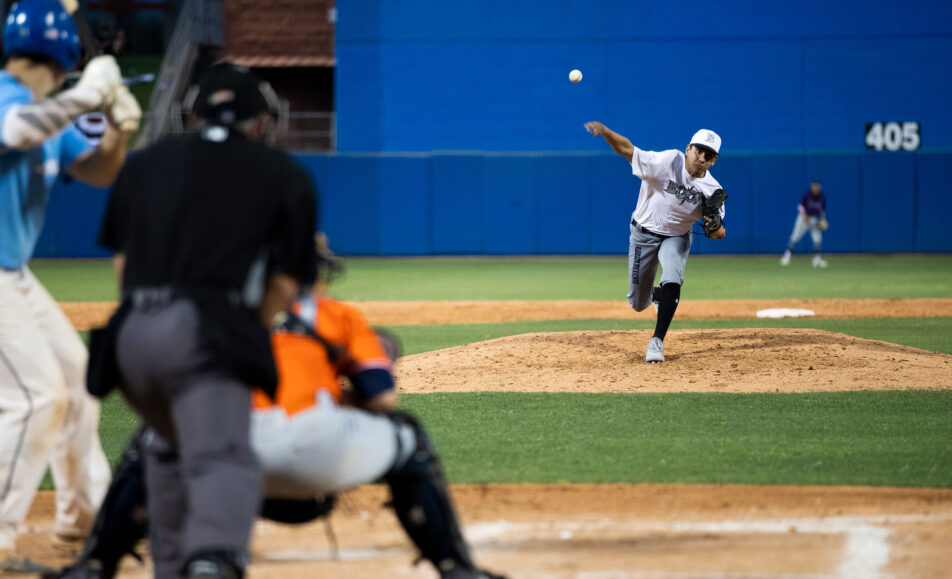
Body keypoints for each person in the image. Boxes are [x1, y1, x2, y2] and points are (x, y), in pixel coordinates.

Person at [47, 240, 506, 579]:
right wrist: (340, 393)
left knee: (154, 437)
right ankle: (454, 565)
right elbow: (382, 397)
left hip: (222, 466)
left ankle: (97, 564)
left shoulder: (209, 312)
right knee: (407, 434)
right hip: (315, 463)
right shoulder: (335, 315)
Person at [95, 63, 318, 579]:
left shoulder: (144, 164)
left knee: (171, 451)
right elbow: (285, 284)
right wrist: (245, 330)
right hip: (203, 334)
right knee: (224, 460)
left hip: (128, 341)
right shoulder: (283, 172)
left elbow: (123, 264)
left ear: (191, 112)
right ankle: (212, 564)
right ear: (260, 120)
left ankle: (170, 566)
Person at [0, 0, 141, 572]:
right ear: (66, 56)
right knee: (37, 397)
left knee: (81, 387)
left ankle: (84, 524)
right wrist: (86, 96)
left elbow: (100, 172)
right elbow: (17, 132)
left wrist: (118, 126)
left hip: (15, 274)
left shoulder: (46, 109)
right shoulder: (11, 102)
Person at [584, 122, 727, 363]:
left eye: (709, 154)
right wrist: (606, 132)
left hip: (677, 236)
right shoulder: (668, 162)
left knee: (673, 276)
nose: (702, 157)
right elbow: (627, 150)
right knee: (638, 302)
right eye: (699, 150)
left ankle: (657, 341)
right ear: (688, 149)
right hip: (644, 233)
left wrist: (714, 226)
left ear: (714, 160)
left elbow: (718, 232)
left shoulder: (712, 190)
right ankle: (659, 296)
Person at [780, 181, 828, 267]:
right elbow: (800, 206)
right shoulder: (807, 195)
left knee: (818, 238)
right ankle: (787, 256)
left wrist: (822, 219)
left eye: (818, 186)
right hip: (803, 219)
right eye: (814, 186)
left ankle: (817, 259)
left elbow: (822, 210)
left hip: (814, 219)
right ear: (812, 186)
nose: (816, 187)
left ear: (820, 187)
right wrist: (804, 215)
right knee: (795, 236)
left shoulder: (822, 197)